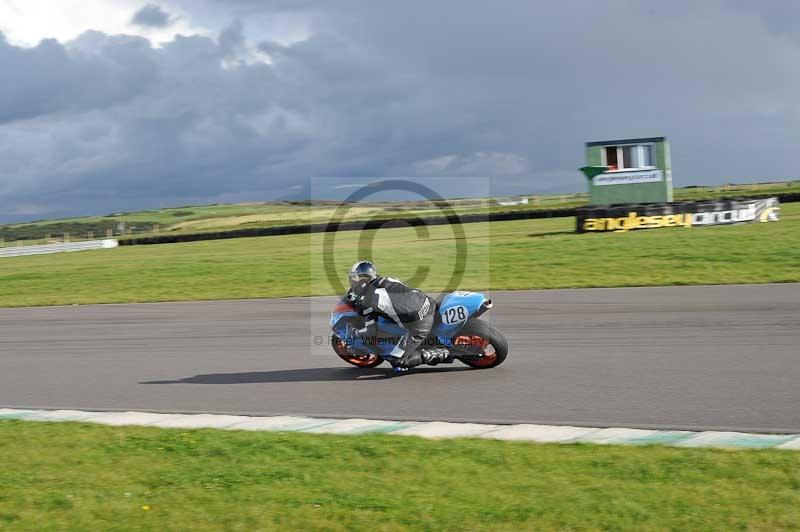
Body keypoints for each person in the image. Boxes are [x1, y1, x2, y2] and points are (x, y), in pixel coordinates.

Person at [345, 260, 449, 372]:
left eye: (355, 279)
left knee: (398, 362)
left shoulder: (370, 300)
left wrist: (355, 333)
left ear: (363, 280)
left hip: (420, 324)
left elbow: (370, 332)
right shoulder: (388, 279)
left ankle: (441, 353)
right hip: (428, 302)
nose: (353, 281)